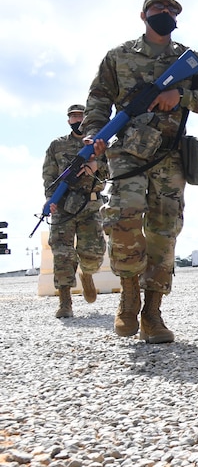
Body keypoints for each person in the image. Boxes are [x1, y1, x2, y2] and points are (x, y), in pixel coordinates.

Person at [83, 0, 198, 343]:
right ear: (143, 15)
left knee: (164, 233)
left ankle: (152, 312)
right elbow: (98, 102)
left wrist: (183, 96)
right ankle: (129, 292)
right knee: (122, 220)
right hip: (129, 155)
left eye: (171, 10)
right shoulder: (118, 57)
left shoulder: (188, 60)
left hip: (171, 157)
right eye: (157, 9)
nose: (164, 14)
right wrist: (92, 139)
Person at [42, 104, 107, 319]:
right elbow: (49, 176)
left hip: (90, 206)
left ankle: (87, 273)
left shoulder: (100, 144)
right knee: (62, 253)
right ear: (68, 120)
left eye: (81, 116)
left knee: (94, 252)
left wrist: (97, 165)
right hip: (63, 208)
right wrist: (50, 200)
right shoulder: (57, 146)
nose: (77, 119)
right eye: (73, 117)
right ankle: (65, 301)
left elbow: (115, 170)